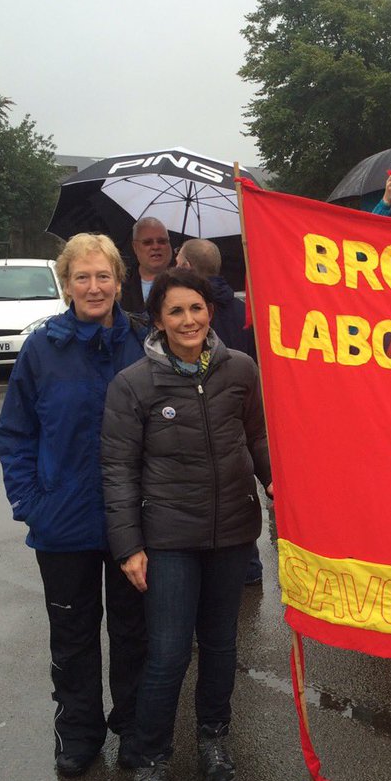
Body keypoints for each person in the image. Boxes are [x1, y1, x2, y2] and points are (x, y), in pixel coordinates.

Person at [101, 268, 272, 781]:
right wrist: (128, 545)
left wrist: (274, 482)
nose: (189, 320)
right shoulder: (134, 384)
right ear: (157, 321)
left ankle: (213, 741)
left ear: (210, 312)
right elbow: (119, 470)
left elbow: (258, 437)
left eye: (196, 308)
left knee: (221, 647)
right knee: (169, 653)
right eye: (175, 311)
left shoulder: (240, 369)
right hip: (170, 539)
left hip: (232, 535)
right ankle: (150, 762)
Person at [0, 233, 147, 777]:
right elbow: (15, 434)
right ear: (65, 285)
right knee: (73, 634)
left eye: (103, 276)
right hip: (63, 524)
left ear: (119, 281)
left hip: (133, 524)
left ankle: (133, 728)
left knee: (134, 633)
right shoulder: (42, 349)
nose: (93, 287)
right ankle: (79, 731)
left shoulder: (143, 342)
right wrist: (31, 503)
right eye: (81, 277)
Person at [175, 238, 263, 586]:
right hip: (243, 414)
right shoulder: (244, 311)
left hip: (211, 415)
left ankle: (228, 569)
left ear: (185, 267)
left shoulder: (188, 315)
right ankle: (249, 567)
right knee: (240, 489)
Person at [120, 217, 173, 315]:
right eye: (147, 242)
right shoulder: (120, 283)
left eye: (162, 241)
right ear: (135, 247)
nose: (156, 247)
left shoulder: (184, 282)